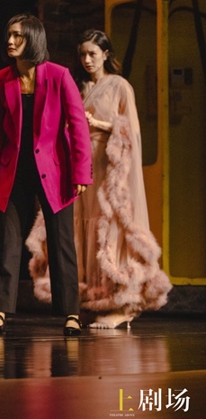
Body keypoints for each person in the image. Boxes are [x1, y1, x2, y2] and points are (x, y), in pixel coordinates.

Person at [25, 29, 171, 328]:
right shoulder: (78, 86)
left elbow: (131, 131)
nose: (87, 60)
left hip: (108, 162)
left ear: (105, 54)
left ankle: (123, 304)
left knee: (110, 224)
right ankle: (92, 299)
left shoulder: (119, 86)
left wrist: (99, 124)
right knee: (85, 227)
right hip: (82, 164)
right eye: (83, 54)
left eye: (93, 53)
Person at [0, 13, 92, 336]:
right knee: (7, 241)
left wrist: (81, 172)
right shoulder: (0, 80)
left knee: (61, 242)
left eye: (18, 36)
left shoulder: (58, 76)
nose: (10, 41)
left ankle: (71, 313)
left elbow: (78, 126)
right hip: (12, 170)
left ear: (33, 39)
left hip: (55, 170)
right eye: (9, 35)